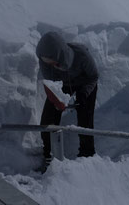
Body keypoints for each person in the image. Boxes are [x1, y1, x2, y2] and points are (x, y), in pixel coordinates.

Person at [35, 31, 98, 169]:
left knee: (85, 117)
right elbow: (49, 84)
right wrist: (56, 100)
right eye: (44, 59)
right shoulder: (44, 60)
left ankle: (87, 155)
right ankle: (48, 154)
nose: (47, 63)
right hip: (62, 84)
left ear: (57, 54)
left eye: (48, 59)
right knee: (48, 118)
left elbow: (93, 77)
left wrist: (84, 93)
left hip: (85, 83)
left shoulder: (82, 55)